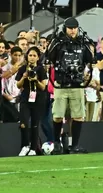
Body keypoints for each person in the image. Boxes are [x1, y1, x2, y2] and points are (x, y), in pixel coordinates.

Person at [47, 17, 93, 154]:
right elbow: (49, 57)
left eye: (74, 28)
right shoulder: (58, 42)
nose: (72, 31)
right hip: (61, 84)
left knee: (78, 115)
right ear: (65, 28)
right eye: (70, 28)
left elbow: (90, 60)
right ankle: (56, 143)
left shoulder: (83, 43)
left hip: (77, 84)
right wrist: (54, 42)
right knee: (57, 116)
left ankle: (75, 145)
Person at [15, 47, 47, 156]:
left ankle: (33, 148)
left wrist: (36, 80)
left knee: (35, 124)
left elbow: (43, 87)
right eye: (30, 55)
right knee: (23, 123)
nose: (32, 58)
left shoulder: (41, 69)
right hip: (25, 98)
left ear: (38, 57)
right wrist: (23, 78)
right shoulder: (23, 68)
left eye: (34, 55)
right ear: (27, 56)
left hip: (38, 99)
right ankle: (25, 145)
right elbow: (18, 85)